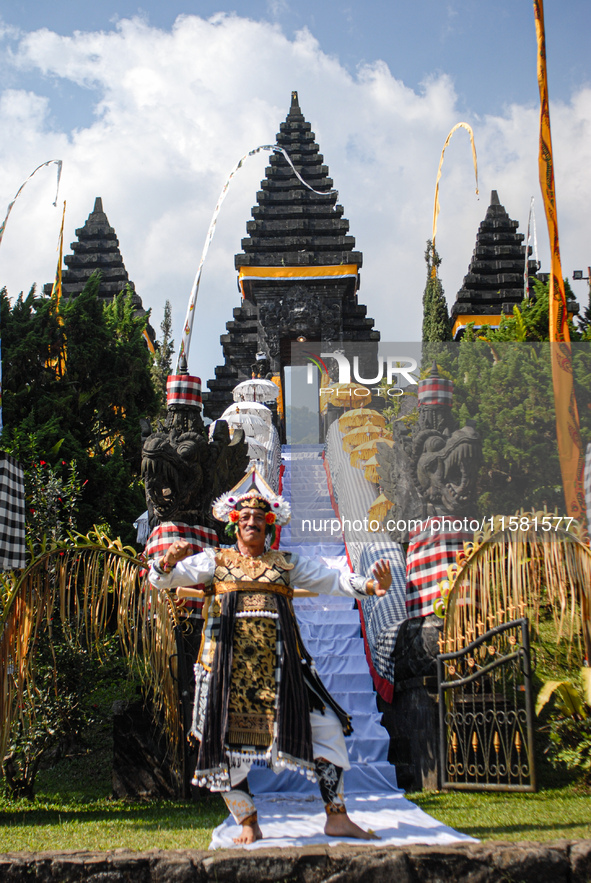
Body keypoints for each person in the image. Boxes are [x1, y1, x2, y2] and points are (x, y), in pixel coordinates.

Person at [149, 467, 392, 844]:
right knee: (219, 745)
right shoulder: (214, 560)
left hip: (285, 671)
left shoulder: (286, 564)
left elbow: (332, 578)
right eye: (245, 517)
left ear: (270, 525)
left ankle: (337, 817)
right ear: (234, 523)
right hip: (226, 670)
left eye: (259, 518)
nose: (252, 523)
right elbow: (165, 580)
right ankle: (248, 821)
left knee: (327, 728)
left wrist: (372, 585)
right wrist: (167, 561)